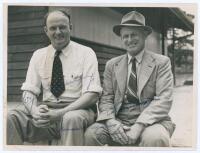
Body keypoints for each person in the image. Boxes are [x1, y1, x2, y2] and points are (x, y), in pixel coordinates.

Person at [7, 10, 102, 146]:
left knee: (71, 118)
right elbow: (29, 91)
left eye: (62, 27)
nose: (58, 32)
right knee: (11, 117)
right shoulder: (38, 55)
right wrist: (34, 111)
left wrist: (60, 113)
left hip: (77, 110)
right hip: (48, 111)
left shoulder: (86, 53)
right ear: (46, 31)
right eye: (53, 28)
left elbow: (92, 95)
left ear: (70, 27)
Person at [85, 11, 175, 146]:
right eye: (125, 36)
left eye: (134, 35)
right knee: (92, 135)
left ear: (145, 36)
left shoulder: (161, 62)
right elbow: (106, 98)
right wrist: (111, 122)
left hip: (152, 121)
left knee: (156, 138)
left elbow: (164, 99)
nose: (129, 40)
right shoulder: (112, 64)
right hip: (119, 119)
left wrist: (139, 126)